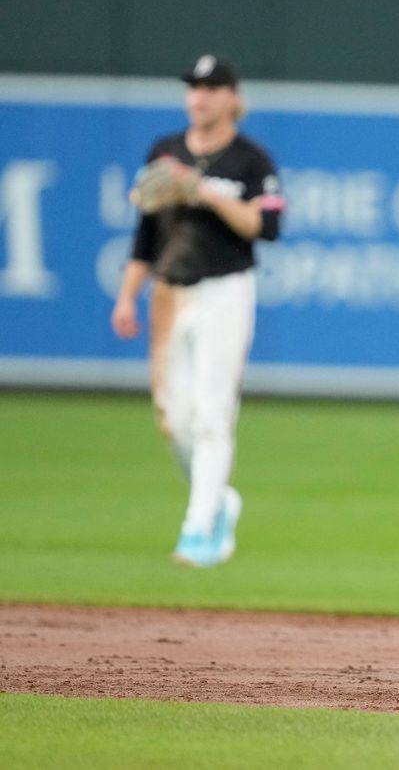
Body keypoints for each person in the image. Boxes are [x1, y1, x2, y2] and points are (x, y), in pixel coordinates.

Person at [110, 55, 284, 568]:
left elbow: (265, 228)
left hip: (225, 291)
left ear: (232, 97)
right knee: (175, 420)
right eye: (193, 88)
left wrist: (203, 192)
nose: (198, 97)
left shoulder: (251, 161)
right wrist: (126, 295)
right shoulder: (164, 152)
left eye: (210, 88)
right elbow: (145, 235)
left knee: (212, 414)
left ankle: (197, 528)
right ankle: (220, 501)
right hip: (169, 292)